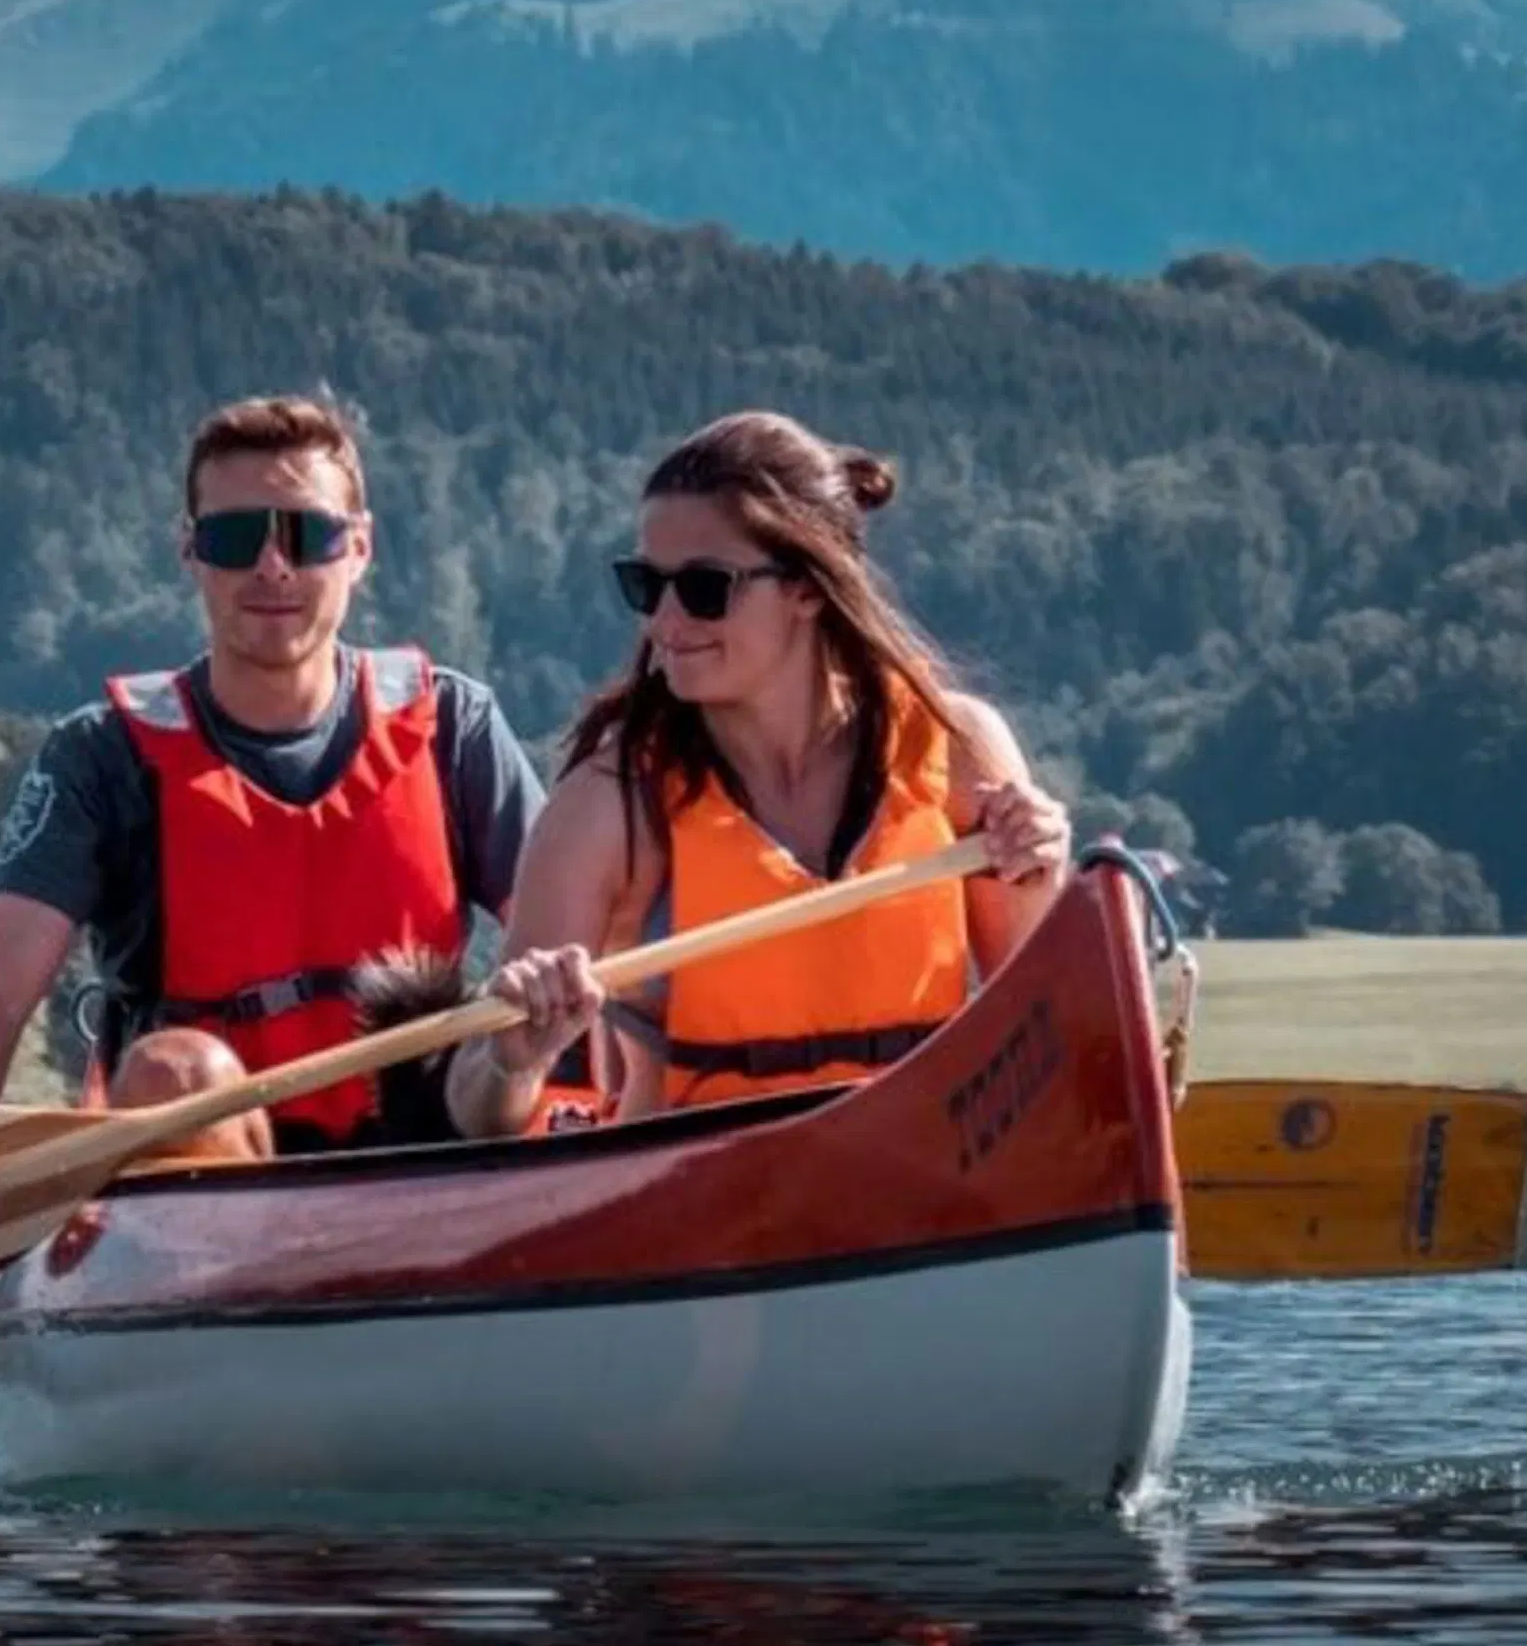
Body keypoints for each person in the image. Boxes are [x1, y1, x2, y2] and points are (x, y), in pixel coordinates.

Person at [0, 392, 555, 1158]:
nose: (272, 565)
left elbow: (569, 943)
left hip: (429, 1140)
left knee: (516, 1045)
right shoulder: (99, 756)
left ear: (359, 548)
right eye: (235, 538)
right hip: (210, 1164)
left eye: (306, 534)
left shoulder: (456, 725)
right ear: (190, 551)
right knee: (171, 1071)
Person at [448, 409, 1071, 1140]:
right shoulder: (607, 803)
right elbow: (475, 1113)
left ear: (808, 588)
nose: (666, 622)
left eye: (706, 588)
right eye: (647, 586)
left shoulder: (958, 746)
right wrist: (513, 1062)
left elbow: (1045, 1028)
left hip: (919, 1180)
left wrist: (1035, 879)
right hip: (694, 1204)